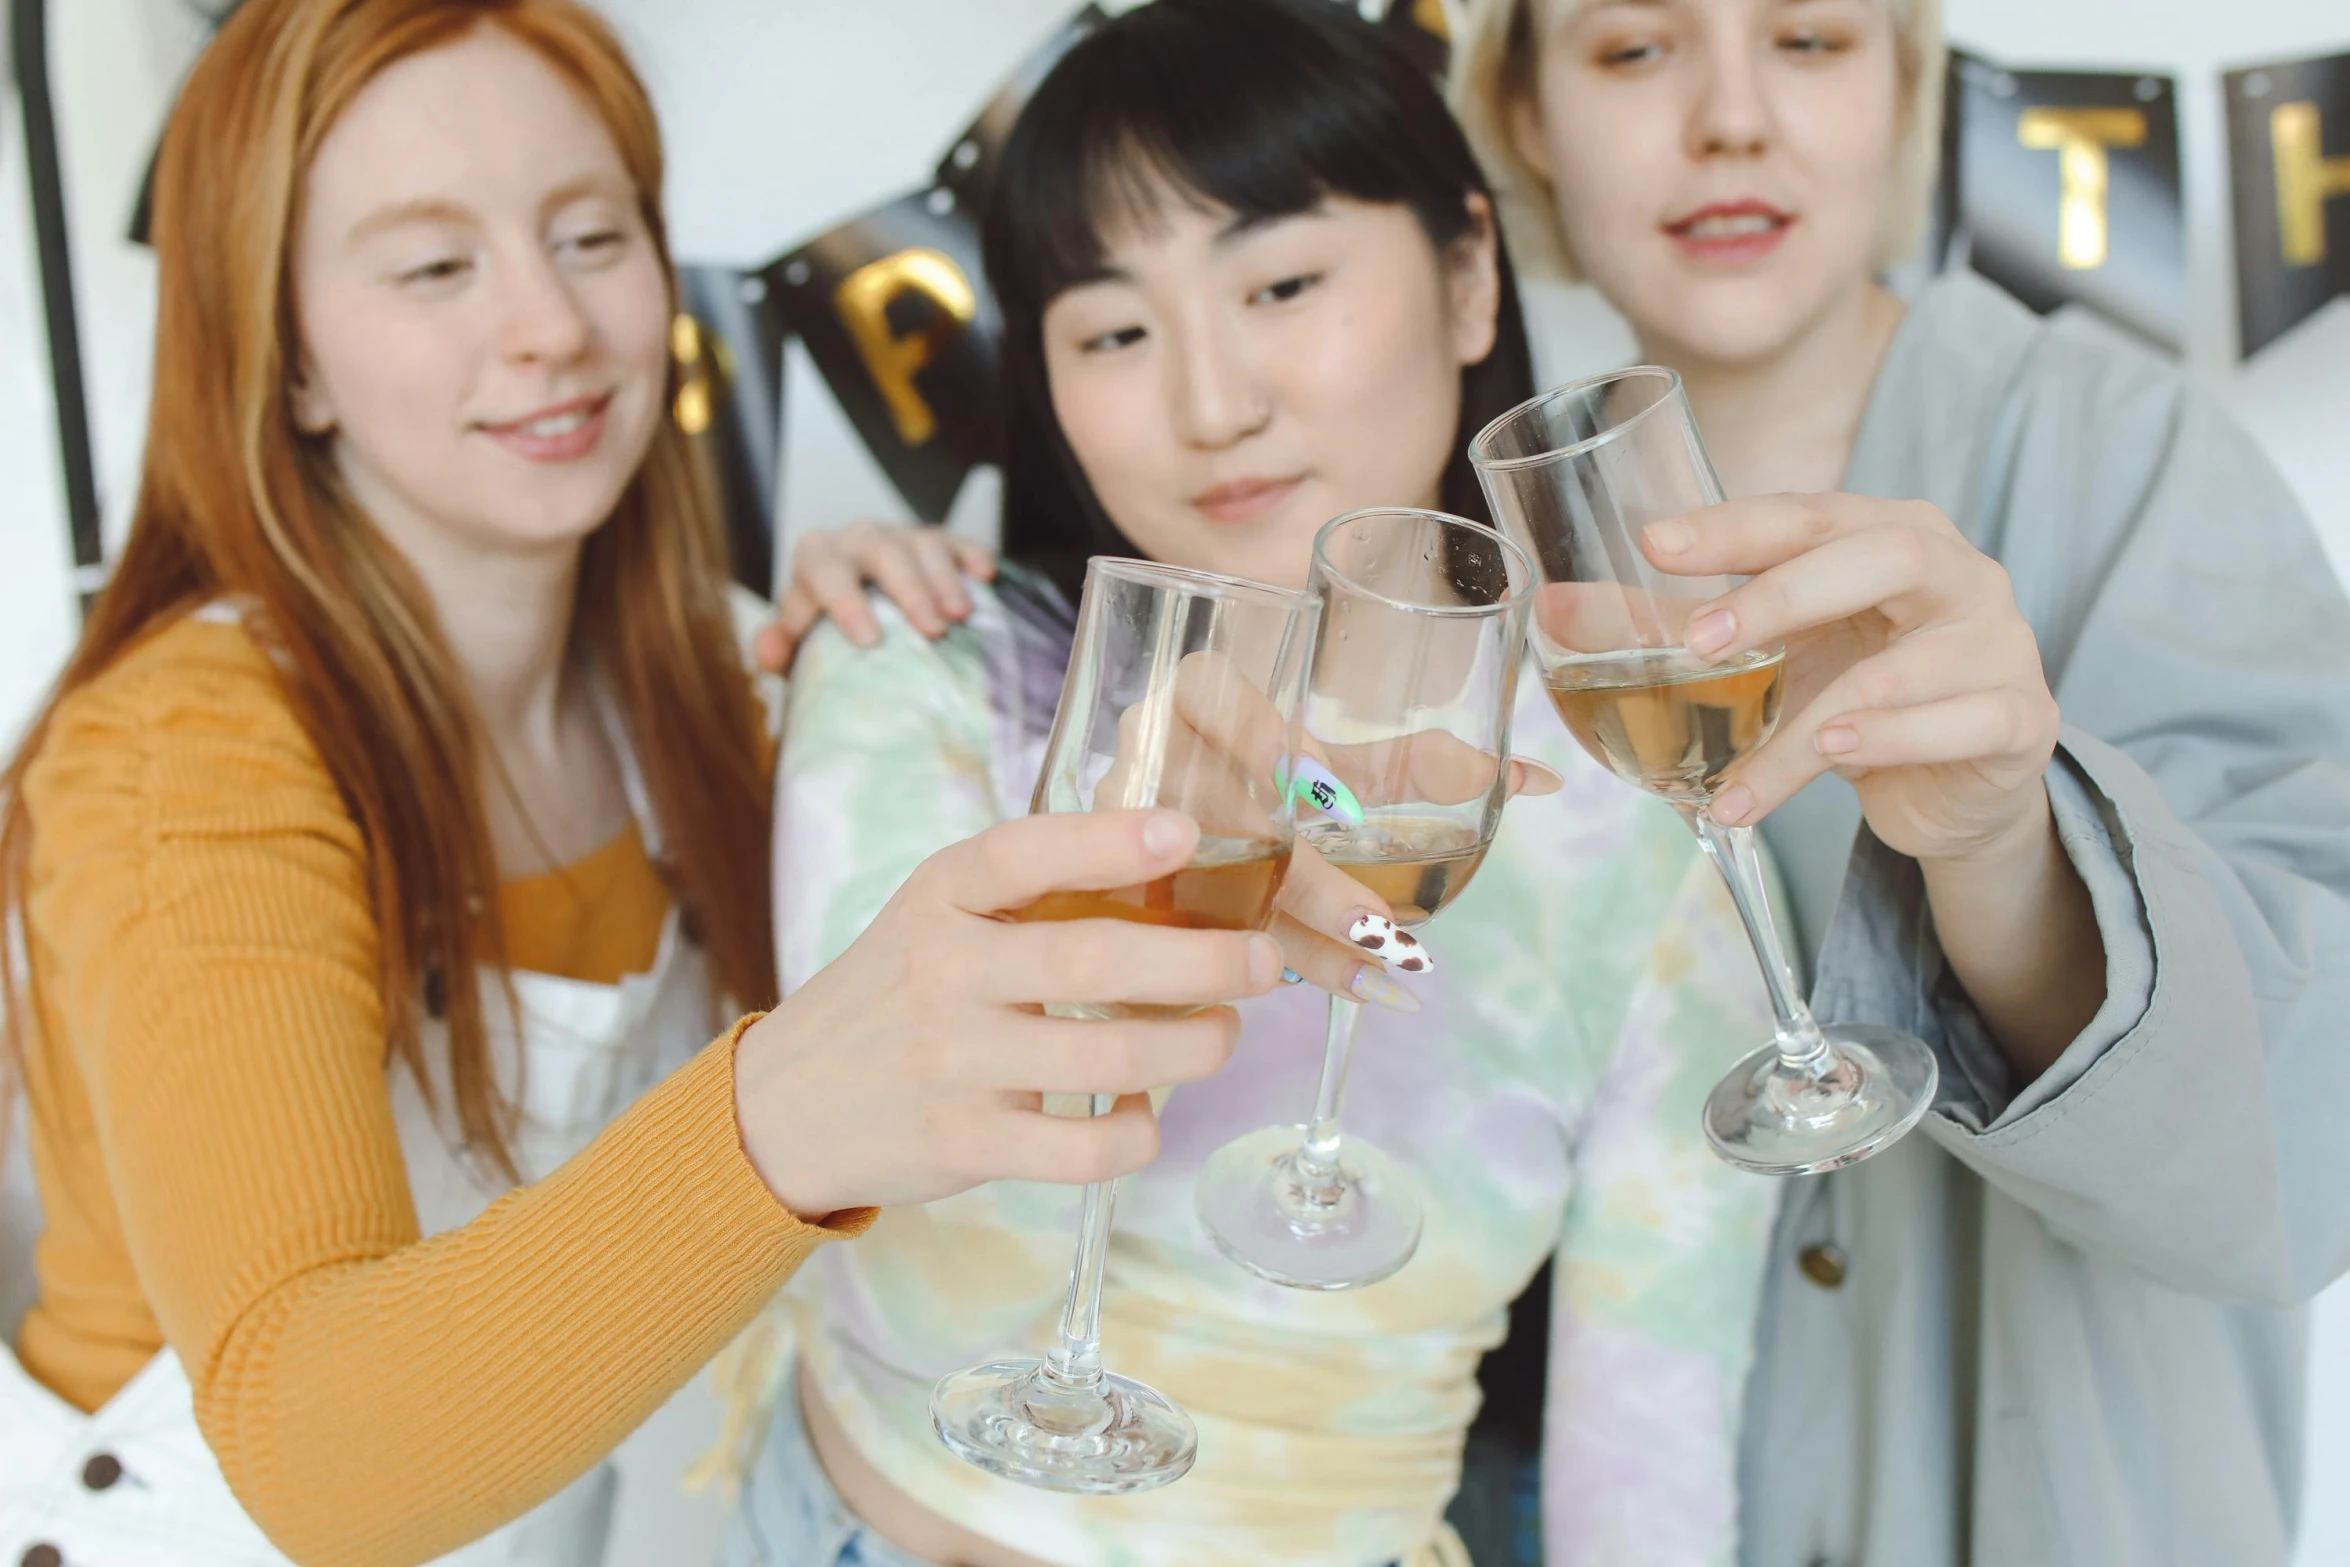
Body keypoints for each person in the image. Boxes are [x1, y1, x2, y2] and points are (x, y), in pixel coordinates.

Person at [0, 3, 1315, 1563]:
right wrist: (784, 1117)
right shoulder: (182, 754)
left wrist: (882, 668)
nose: (549, 325)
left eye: (589, 234)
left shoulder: (708, 667)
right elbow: (320, 1459)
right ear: (284, 360)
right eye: (434, 267)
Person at [728, 4, 1781, 1566]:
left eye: (1281, 284)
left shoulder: (1636, 812)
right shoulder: (919, 675)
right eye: (1112, 331)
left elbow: (1652, 1441)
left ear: (1469, 270)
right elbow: (915, 1193)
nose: (1211, 400)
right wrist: (1169, 799)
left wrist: (1346, 827)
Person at [1431, 0, 2350, 1561]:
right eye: (1631, 49)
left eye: (1807, 40)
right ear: (1522, 112)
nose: (1729, 118)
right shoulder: (1462, 538)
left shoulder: (2121, 453)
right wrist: (902, 593)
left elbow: (2303, 1134)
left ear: (1904, 88)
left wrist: (2004, 844)